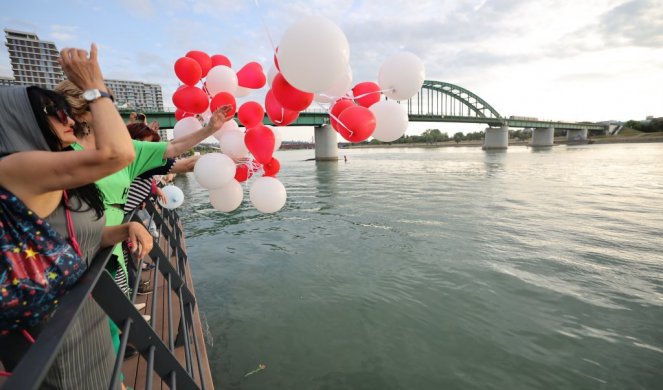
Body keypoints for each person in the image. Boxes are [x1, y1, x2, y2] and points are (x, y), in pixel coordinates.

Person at [0, 44, 151, 389]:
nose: (68, 118)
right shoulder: (14, 167)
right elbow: (118, 152)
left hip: (85, 315)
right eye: (54, 111)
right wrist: (95, 85)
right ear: (19, 121)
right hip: (49, 337)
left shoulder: (57, 172)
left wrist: (125, 227)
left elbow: (67, 240)